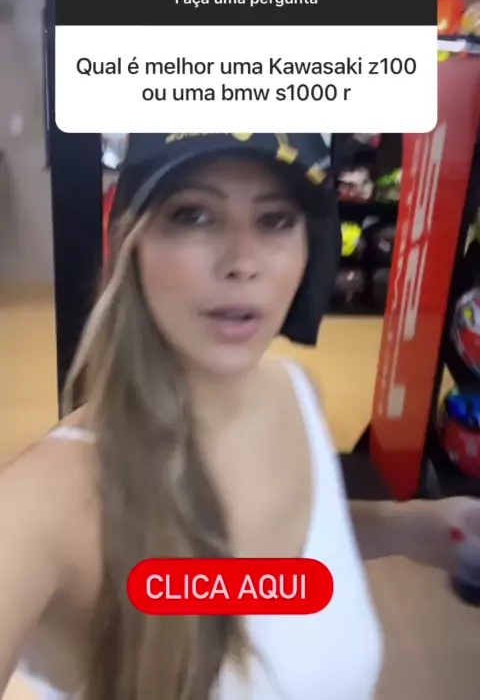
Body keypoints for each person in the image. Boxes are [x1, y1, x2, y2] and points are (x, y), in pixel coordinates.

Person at [0, 132, 476, 700]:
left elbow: (275, 552)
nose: (243, 263)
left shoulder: (294, 390)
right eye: (194, 215)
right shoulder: (49, 499)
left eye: (275, 220)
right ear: (132, 240)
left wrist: (413, 528)